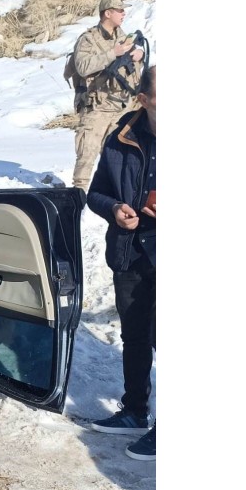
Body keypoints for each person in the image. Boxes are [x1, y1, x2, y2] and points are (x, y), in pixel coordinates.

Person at [86, 65, 156, 461]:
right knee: (135, 334)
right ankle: (135, 410)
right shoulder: (121, 137)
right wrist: (114, 209)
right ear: (143, 100)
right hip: (130, 251)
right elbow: (96, 192)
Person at [69, 0, 145, 191]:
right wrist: (113, 53)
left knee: (116, 159)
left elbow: (132, 72)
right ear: (107, 13)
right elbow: (83, 67)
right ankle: (78, 199)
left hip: (121, 108)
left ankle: (111, 198)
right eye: (119, 10)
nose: (123, 14)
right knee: (86, 156)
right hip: (97, 107)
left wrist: (139, 55)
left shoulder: (123, 37)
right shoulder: (88, 39)